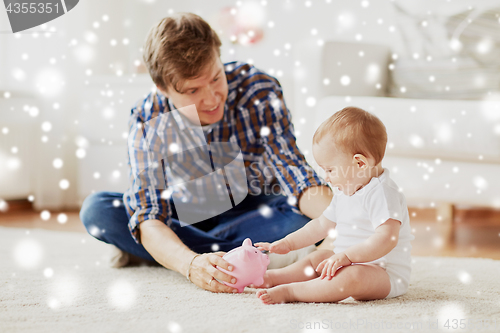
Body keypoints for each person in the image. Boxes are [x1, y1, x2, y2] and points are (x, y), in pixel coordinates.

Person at [79, 12, 333, 294]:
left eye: (215, 78)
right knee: (99, 210)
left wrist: (344, 221)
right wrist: (191, 265)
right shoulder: (147, 117)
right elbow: (148, 212)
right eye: (193, 90)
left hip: (254, 209)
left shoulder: (258, 89)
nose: (212, 98)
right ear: (163, 88)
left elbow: (294, 173)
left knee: (303, 217)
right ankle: (250, 256)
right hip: (186, 212)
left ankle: (162, 251)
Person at [254, 107, 415, 304]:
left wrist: (347, 257)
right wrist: (288, 243)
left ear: (360, 163)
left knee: (351, 277)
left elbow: (387, 238)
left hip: (382, 272)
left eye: (330, 170)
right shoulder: (345, 190)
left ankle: (292, 292)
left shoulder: (382, 193)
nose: (326, 178)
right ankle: (273, 278)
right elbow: (321, 226)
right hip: (346, 260)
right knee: (319, 257)